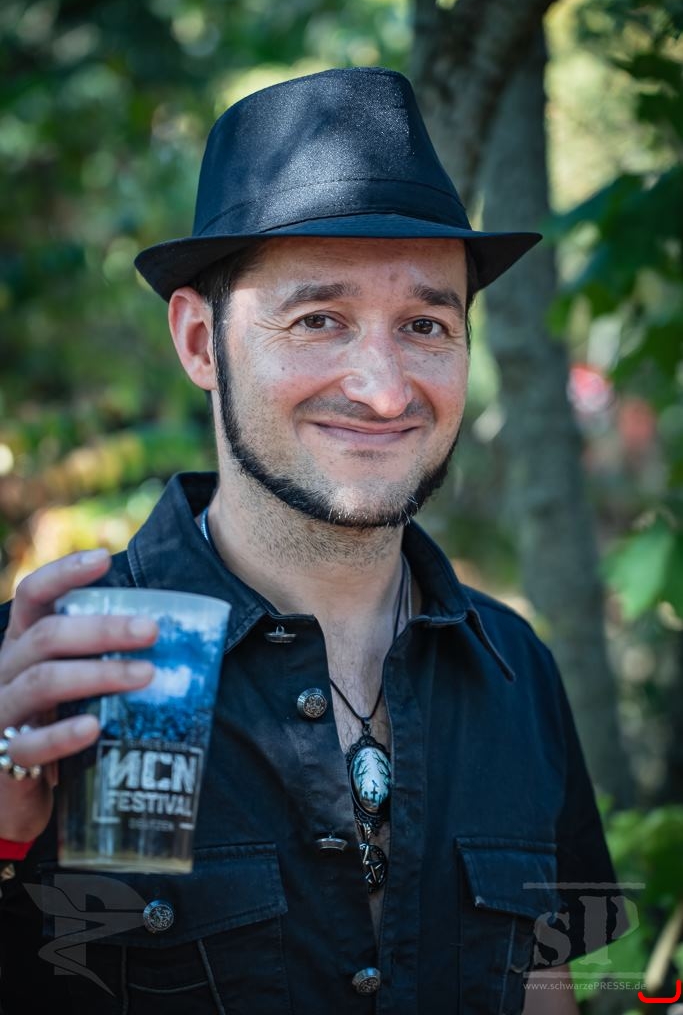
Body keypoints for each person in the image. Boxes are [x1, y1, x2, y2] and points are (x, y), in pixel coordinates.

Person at [0, 68, 623, 1014]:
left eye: (425, 325)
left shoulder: (515, 673)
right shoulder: (48, 679)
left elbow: (545, 988)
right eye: (318, 319)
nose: (383, 388)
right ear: (200, 343)